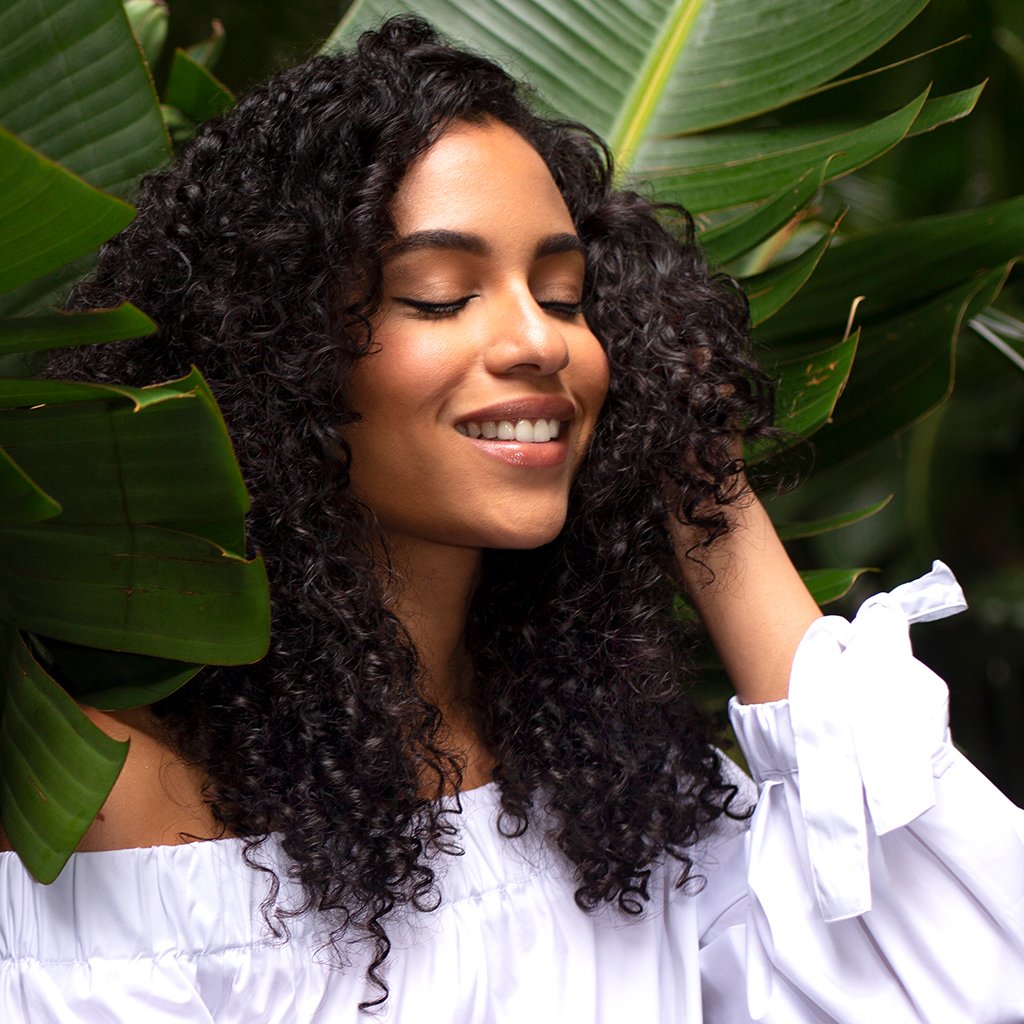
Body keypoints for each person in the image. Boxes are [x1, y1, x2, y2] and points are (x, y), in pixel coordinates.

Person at [1, 15, 1022, 1023]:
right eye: (441, 295)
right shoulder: (119, 806)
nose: (539, 339)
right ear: (273, 356)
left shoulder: (618, 796)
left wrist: (701, 485)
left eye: (567, 295)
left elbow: (956, 986)